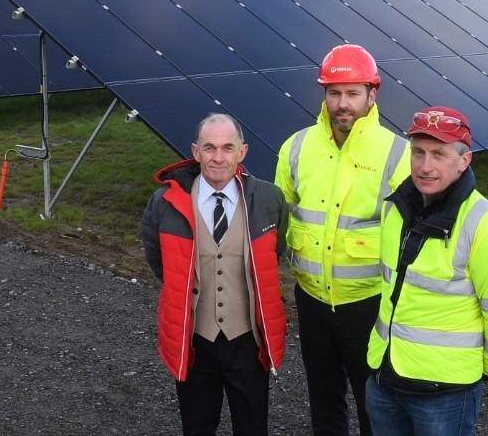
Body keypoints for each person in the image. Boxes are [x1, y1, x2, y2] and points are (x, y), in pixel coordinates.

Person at [364, 106, 488, 436]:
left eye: (439, 154)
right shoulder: (395, 210)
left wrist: (479, 373)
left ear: (464, 161)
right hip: (384, 379)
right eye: (418, 153)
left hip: (445, 394)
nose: (425, 166)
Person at [275, 44, 410, 435]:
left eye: (353, 93)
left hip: (368, 305)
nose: (342, 104)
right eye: (334, 93)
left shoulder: (397, 153)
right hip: (312, 301)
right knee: (323, 401)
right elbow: (278, 214)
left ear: (373, 93)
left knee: (375, 406)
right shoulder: (297, 147)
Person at [141, 113, 287, 436]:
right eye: (209, 148)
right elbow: (158, 258)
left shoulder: (269, 199)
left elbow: (271, 255)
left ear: (242, 153)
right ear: (195, 151)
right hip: (193, 341)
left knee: (252, 428)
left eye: (227, 148)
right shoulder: (165, 202)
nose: (218, 158)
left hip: (247, 342)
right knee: (196, 427)